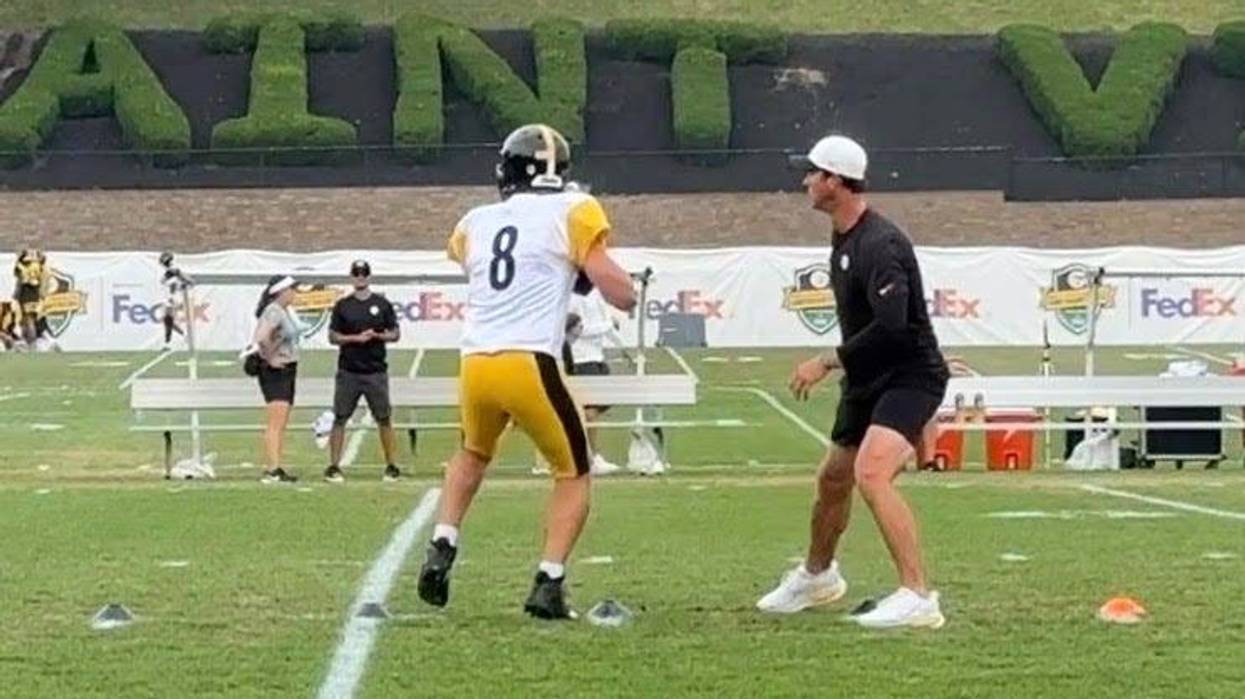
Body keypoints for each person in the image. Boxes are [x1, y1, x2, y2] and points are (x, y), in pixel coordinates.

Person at [417, 123, 637, 620]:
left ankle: (442, 541)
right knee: (574, 471)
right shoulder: (575, 209)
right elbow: (616, 289)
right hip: (530, 360)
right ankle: (549, 582)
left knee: (472, 454)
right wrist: (613, 282)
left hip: (475, 363)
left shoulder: (475, 220)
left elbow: (498, 262)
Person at [756, 135, 950, 629]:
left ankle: (918, 595)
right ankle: (818, 577)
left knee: (871, 473)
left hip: (910, 376)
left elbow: (893, 325)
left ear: (835, 182)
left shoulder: (880, 243)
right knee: (832, 479)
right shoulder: (845, 237)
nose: (805, 181)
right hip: (869, 380)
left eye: (813, 173)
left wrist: (826, 361)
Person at [324, 259, 402, 483]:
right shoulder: (343, 306)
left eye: (363, 274)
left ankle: (391, 464)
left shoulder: (382, 304)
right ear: (352, 277)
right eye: (356, 274)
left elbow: (395, 333)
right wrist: (355, 339)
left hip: (375, 371)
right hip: (349, 371)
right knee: (340, 417)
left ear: (369, 277)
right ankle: (334, 465)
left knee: (384, 418)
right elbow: (333, 336)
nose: (360, 277)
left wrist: (377, 336)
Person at [251, 275, 302, 484]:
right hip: (276, 371)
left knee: (280, 422)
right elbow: (261, 338)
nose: (294, 293)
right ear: (282, 291)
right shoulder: (273, 311)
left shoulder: (282, 311)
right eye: (291, 289)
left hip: (286, 368)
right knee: (275, 422)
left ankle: (276, 466)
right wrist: (270, 358)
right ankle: (272, 468)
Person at [567, 288, 623, 475]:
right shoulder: (573, 297)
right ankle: (588, 457)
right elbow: (577, 330)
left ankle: (589, 456)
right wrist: (607, 326)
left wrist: (623, 348)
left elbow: (607, 323)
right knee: (588, 413)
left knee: (594, 411)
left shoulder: (597, 293)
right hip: (580, 359)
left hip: (596, 358)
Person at [13, 248, 47, 349]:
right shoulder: (39, 266)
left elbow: (18, 273)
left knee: (28, 319)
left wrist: (19, 258)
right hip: (34, 294)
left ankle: (32, 343)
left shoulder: (25, 267)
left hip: (26, 294)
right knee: (27, 319)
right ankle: (27, 341)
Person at [158, 252, 187, 351]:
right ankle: (183, 335)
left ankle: (168, 343)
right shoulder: (169, 272)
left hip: (173, 298)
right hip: (169, 298)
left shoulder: (173, 271)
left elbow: (177, 278)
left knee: (168, 320)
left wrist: (173, 298)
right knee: (168, 321)